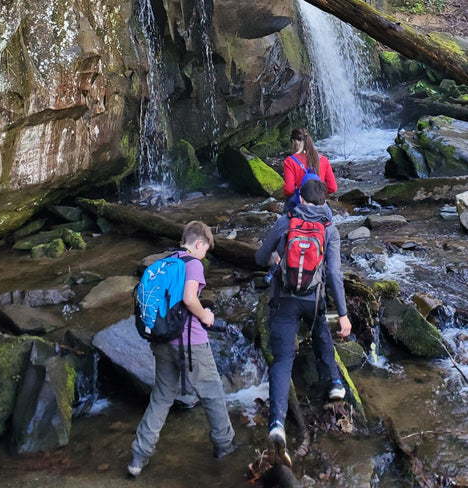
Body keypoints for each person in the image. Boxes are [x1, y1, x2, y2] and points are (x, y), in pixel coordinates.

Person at [127, 220, 236, 477]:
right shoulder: (193, 264)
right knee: (212, 393)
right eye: (205, 250)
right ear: (199, 244)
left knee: (162, 397)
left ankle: (138, 456)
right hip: (190, 342)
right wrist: (206, 316)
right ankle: (225, 445)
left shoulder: (163, 263)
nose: (204, 256)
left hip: (160, 340)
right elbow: (189, 299)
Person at [255, 178, 352, 465]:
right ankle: (335, 381)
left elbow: (260, 257)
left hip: (284, 301)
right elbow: (334, 275)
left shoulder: (285, 221)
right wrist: (344, 314)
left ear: (300, 197)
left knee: (282, 360)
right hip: (314, 301)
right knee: (321, 328)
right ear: (324, 202)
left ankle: (276, 423)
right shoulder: (329, 229)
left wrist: (275, 259)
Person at [283, 128, 337, 205]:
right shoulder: (323, 159)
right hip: (319, 204)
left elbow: (289, 190)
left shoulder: (290, 161)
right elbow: (333, 187)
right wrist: (318, 194)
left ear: (294, 142)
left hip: (301, 205)